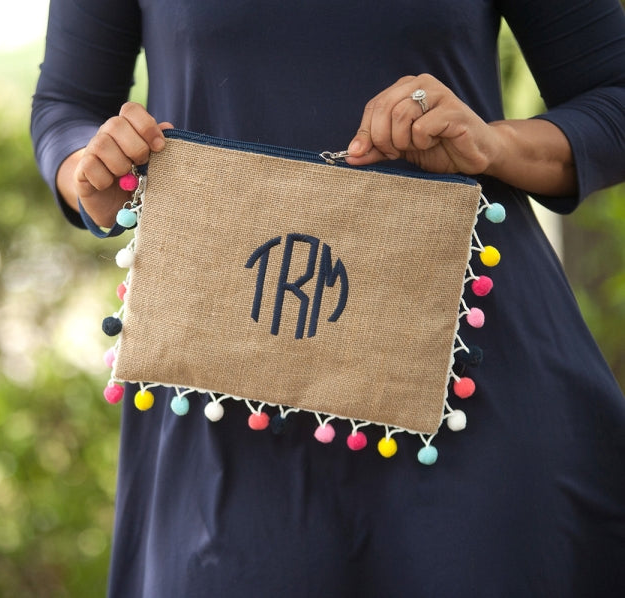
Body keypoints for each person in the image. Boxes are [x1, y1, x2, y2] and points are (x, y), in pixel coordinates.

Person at [32, 1, 625, 595]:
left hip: (466, 385)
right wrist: (94, 172)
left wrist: (492, 143)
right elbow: (66, 110)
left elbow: (613, 97)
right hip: (220, 403)